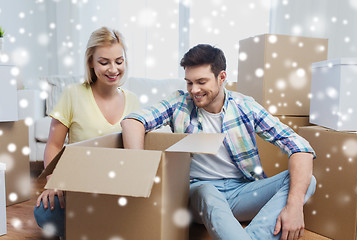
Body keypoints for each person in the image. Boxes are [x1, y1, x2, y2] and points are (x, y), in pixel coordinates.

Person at [121, 44, 316, 240]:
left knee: (305, 180)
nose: (194, 90)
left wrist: (294, 205)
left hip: (241, 191)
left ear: (222, 77)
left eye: (201, 82)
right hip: (199, 191)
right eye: (189, 83)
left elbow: (300, 147)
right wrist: (139, 171)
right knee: (208, 192)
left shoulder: (245, 106)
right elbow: (132, 121)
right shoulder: (179, 104)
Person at [34, 27, 139, 238]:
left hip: (114, 189)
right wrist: (53, 182)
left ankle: (92, 226)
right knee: (45, 212)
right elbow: (54, 144)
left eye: (119, 61)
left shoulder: (133, 101)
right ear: (91, 62)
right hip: (79, 186)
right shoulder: (73, 94)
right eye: (104, 62)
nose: (113, 69)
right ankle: (94, 227)